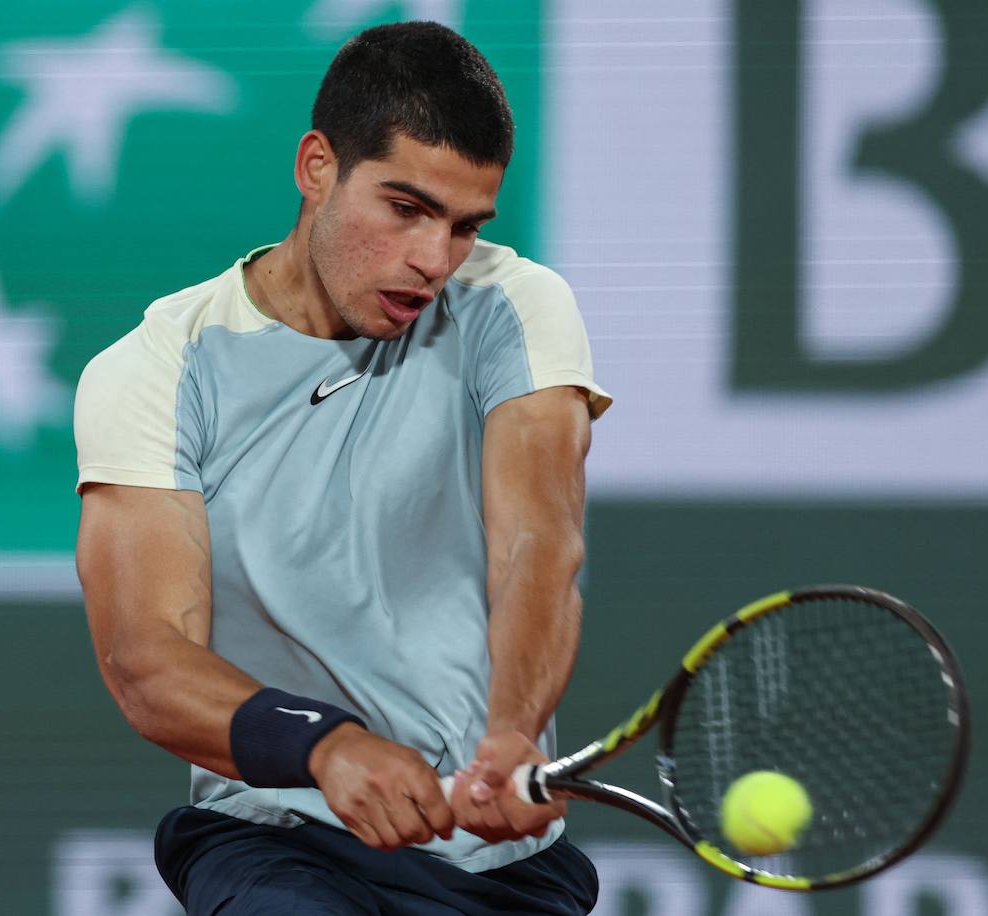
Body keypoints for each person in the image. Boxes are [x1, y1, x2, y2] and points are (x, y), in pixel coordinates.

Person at [73, 20, 611, 915]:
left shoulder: (515, 305)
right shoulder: (157, 369)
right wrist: (322, 746)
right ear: (316, 166)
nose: (434, 261)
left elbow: (538, 546)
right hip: (276, 843)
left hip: (501, 869)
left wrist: (513, 734)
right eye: (405, 209)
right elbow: (146, 659)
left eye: (463, 226)